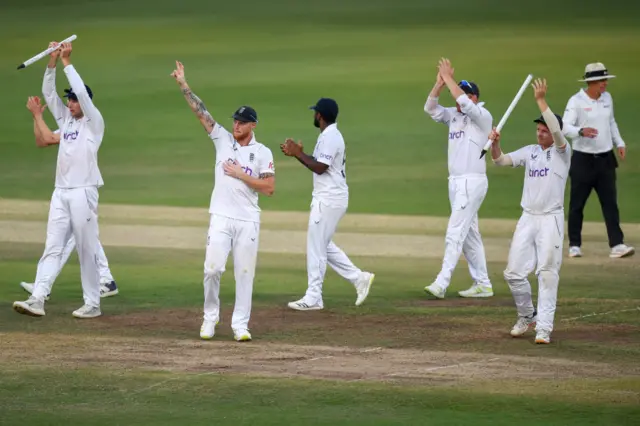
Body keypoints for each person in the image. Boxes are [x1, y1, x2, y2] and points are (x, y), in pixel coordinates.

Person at [171, 61, 275, 342]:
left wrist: (242, 175)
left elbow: (268, 188)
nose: (236, 125)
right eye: (235, 121)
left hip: (248, 220)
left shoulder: (262, 152)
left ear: (253, 125)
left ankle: (240, 325)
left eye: (242, 122)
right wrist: (183, 83)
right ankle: (210, 317)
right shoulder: (222, 139)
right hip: (220, 215)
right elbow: (201, 112)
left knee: (244, 274)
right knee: (212, 268)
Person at [13, 41, 105, 319]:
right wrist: (52, 61)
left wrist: (67, 62)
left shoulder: (94, 122)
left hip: (84, 192)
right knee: (52, 246)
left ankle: (93, 303)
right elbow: (47, 93)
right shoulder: (66, 121)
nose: (70, 102)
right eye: (70, 99)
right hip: (61, 192)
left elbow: (82, 97)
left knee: (86, 250)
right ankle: (38, 298)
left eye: (74, 99)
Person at [491, 78, 570, 344]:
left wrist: (540, 100)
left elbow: (559, 134)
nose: (540, 133)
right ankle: (527, 315)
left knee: (547, 273)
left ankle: (544, 329)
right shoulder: (531, 152)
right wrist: (495, 143)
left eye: (544, 129)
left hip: (551, 219)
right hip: (528, 218)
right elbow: (500, 160)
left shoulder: (562, 152)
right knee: (513, 273)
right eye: (538, 129)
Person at [281, 97, 374, 311]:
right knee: (323, 244)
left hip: (329, 198)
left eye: (315, 113)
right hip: (331, 197)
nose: (314, 115)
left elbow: (321, 167)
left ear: (319, 116)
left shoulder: (331, 137)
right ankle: (359, 278)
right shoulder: (328, 135)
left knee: (316, 246)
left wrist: (298, 154)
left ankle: (314, 296)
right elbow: (321, 163)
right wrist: (301, 155)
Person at [19, 103, 119, 300]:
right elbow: (42, 141)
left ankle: (44, 285)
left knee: (74, 240)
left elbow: (48, 137)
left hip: (82, 189)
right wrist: (35, 118)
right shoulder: (70, 126)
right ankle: (105, 280)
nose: (69, 106)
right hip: (69, 190)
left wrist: (38, 116)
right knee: (80, 237)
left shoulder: (89, 124)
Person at [423, 58, 494, 299]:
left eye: (464, 94)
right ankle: (483, 284)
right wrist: (439, 85)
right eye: (458, 92)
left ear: (475, 97)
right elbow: (430, 108)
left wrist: (449, 79)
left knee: (455, 231)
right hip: (455, 182)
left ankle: (441, 282)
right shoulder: (454, 114)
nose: (459, 98)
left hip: (472, 181)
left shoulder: (483, 115)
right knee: (469, 235)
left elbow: (463, 100)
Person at [562, 62, 634, 259]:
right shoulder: (576, 101)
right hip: (583, 160)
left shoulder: (607, 99)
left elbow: (611, 122)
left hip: (605, 159)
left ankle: (617, 244)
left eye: (605, 80)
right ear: (591, 82)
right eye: (601, 80)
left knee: (610, 203)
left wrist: (619, 142)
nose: (605, 84)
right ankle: (574, 245)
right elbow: (564, 127)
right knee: (577, 204)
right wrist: (580, 131)